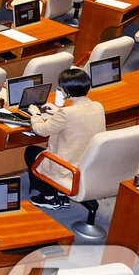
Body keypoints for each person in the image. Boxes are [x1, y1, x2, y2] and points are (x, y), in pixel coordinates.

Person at [24, 66, 106, 208]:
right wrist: (59, 112)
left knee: (31, 152)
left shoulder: (67, 114)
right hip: (88, 163)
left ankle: (49, 196)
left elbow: (41, 130)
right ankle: (59, 192)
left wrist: (36, 114)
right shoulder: (98, 106)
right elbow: (78, 118)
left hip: (67, 167)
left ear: (66, 92)